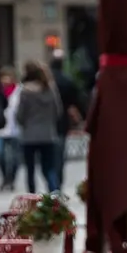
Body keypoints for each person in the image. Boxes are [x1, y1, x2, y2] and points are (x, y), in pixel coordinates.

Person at [15, 61, 63, 193]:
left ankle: (32, 197)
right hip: (48, 134)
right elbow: (58, 111)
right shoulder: (50, 89)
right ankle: (54, 193)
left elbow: (20, 115)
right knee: (49, 168)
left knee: (30, 170)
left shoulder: (25, 92)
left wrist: (24, 124)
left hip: (29, 136)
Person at [48, 48, 86, 177]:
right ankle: (58, 180)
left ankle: (51, 178)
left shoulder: (47, 82)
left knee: (49, 155)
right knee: (60, 154)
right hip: (62, 121)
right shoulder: (67, 81)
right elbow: (76, 102)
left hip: (46, 121)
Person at [0, 66, 21, 191]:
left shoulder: (19, 91)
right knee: (0, 156)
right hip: (0, 129)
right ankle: (4, 178)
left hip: (15, 128)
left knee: (15, 157)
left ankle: (12, 179)